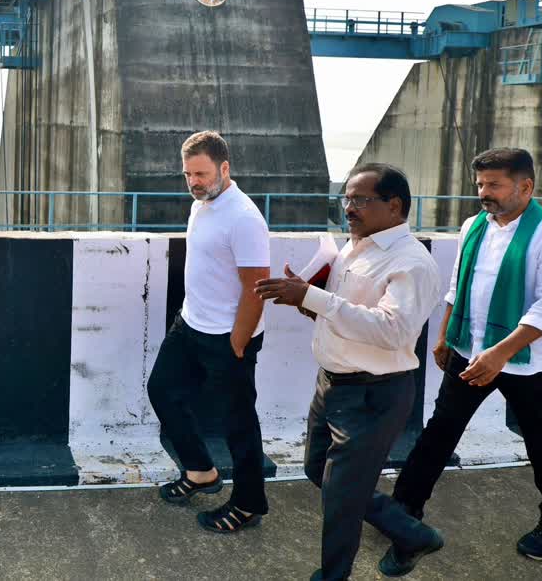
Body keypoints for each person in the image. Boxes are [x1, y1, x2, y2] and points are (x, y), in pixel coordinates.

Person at [380, 147, 542, 568]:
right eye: (479, 184)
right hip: (467, 352)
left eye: (494, 185)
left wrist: (500, 353)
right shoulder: (474, 226)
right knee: (437, 435)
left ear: (525, 186)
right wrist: (443, 338)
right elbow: (458, 286)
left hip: (528, 365)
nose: (483, 193)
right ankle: (404, 512)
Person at [256, 164, 441, 581]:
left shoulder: (411, 263)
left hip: (374, 393)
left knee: (340, 500)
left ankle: (332, 575)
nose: (348, 208)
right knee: (317, 469)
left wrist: (315, 298)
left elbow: (393, 331)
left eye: (360, 200)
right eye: (346, 198)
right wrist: (305, 299)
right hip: (332, 384)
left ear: (394, 206)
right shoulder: (354, 245)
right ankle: (410, 534)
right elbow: (344, 312)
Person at [147, 131, 271, 534]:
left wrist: (238, 340)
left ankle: (249, 503)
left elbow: (256, 287)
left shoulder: (244, 217)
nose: (194, 182)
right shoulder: (201, 204)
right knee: (162, 391)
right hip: (190, 324)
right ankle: (201, 471)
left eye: (201, 173)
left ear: (224, 168)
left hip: (228, 337)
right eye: (188, 175)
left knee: (237, 423)